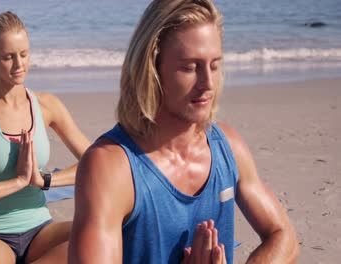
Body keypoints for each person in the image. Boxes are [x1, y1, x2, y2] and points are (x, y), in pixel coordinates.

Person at [68, 0, 299, 263]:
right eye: (190, 67)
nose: (208, 83)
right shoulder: (110, 167)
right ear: (152, 69)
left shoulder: (227, 146)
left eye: (214, 65)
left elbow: (284, 237)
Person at [0, 11, 90, 264]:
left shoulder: (46, 105)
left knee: (100, 239)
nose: (19, 65)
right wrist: (19, 181)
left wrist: (43, 179)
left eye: (24, 54)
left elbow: (95, 161)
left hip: (41, 229)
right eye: (8, 57)